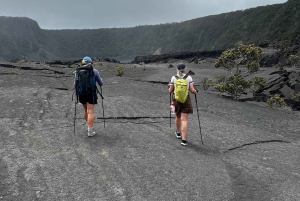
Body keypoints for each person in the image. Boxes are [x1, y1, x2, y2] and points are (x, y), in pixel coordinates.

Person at [168, 63, 197, 146]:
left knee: (177, 116)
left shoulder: (174, 78)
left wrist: (169, 86)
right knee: (184, 119)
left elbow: (170, 91)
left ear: (177, 69)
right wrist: (195, 92)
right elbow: (192, 90)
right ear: (185, 69)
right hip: (186, 99)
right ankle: (184, 140)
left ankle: (178, 133)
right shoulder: (189, 77)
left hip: (176, 99)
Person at [74, 56, 103, 137]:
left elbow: (75, 85)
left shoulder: (78, 71)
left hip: (81, 93)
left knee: (85, 110)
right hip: (91, 93)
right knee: (90, 111)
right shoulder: (94, 71)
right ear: (90, 63)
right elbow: (101, 83)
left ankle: (88, 126)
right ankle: (90, 130)